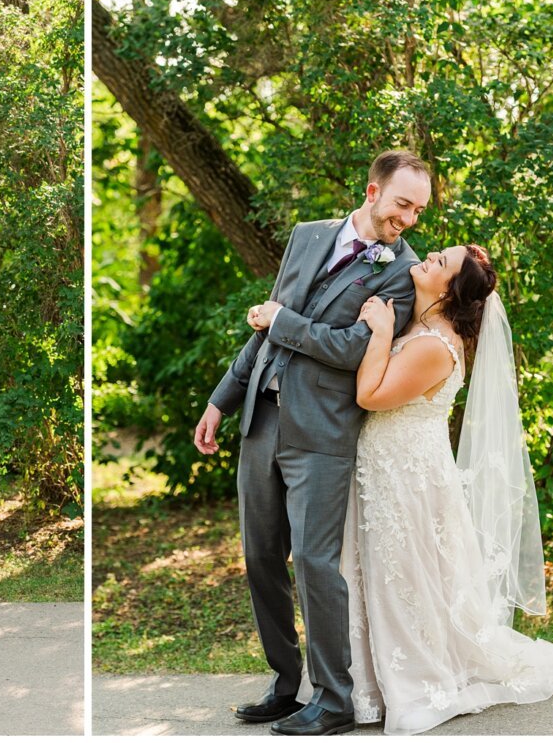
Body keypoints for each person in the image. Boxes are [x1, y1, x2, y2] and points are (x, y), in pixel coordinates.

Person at [194, 150, 430, 735]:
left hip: (324, 429)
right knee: (258, 558)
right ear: (372, 192)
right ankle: (284, 684)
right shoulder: (307, 236)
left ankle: (334, 699)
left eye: (419, 210)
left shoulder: (406, 272)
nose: (409, 220)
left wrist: (282, 323)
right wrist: (221, 399)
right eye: (403, 204)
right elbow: (264, 329)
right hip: (261, 418)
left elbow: (356, 349)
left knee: (317, 564)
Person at [342, 244, 553, 734]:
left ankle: (415, 680)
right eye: (437, 252)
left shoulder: (435, 346)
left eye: (442, 261)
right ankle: (366, 680)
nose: (431, 255)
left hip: (407, 480)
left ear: (449, 290)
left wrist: (382, 332)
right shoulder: (423, 327)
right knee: (385, 575)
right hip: (389, 470)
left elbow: (370, 395)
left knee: (404, 581)